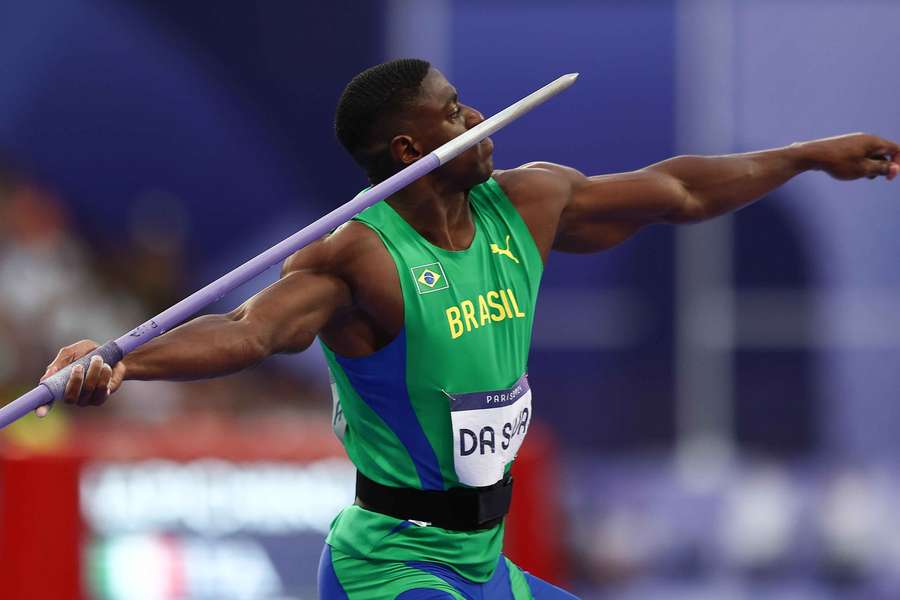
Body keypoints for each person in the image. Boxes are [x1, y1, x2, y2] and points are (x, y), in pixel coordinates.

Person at [41, 59, 899, 599]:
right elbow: (248, 332)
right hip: (393, 567)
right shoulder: (358, 262)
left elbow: (677, 192)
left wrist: (806, 156)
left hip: (484, 567)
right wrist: (122, 362)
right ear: (412, 147)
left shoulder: (527, 202)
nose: (479, 117)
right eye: (456, 112)